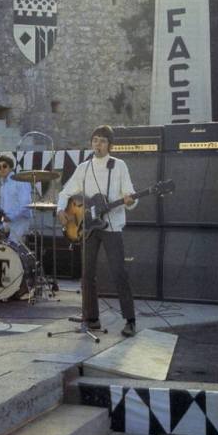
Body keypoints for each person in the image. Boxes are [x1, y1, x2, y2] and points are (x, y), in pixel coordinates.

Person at [56, 125, 138, 337]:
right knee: (87, 274)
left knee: (119, 272)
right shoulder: (84, 167)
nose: (97, 144)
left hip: (112, 226)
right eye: (95, 140)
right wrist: (60, 209)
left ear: (110, 145)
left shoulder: (119, 166)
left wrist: (129, 201)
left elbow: (129, 194)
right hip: (89, 227)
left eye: (102, 141)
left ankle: (130, 320)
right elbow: (66, 191)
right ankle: (91, 318)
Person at [0, 154, 32, 243]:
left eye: (4, 166)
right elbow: (3, 207)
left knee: (13, 249)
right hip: (8, 222)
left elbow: (25, 204)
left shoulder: (20, 180)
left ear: (11, 167)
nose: (2, 169)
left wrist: (10, 217)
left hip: (20, 221)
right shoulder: (3, 186)